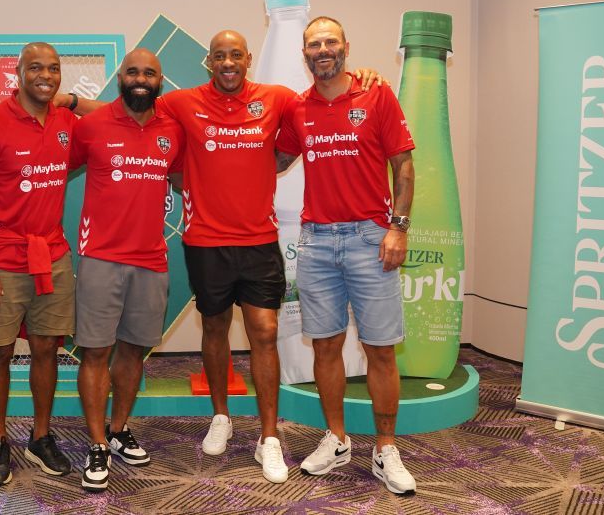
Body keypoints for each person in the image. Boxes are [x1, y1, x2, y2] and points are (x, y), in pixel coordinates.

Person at [60, 30, 381, 484]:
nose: (228, 62)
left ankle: (269, 437)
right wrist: (69, 100)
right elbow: (125, 110)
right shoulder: (181, 103)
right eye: (220, 56)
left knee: (264, 332)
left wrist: (360, 78)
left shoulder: (277, 98)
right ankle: (221, 417)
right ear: (209, 63)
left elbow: (314, 109)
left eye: (236, 55)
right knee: (214, 326)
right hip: (205, 241)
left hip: (259, 240)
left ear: (248, 59)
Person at [275, 16, 417, 495]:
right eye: (313, 44)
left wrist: (397, 228)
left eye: (330, 41)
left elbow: (404, 165)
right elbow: (271, 160)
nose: (322, 50)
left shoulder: (376, 95)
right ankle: (336, 439)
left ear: (345, 47)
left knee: (380, 348)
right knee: (326, 346)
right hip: (315, 242)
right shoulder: (298, 108)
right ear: (304, 53)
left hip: (369, 239)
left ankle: (385, 447)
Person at [0, 42, 76, 486]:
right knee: (0, 352)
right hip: (3, 259)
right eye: (36, 69)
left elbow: (118, 115)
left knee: (47, 349)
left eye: (54, 69)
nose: (46, 76)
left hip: (53, 256)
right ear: (19, 74)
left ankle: (41, 437)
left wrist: (74, 100)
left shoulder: (67, 122)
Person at [68, 48, 185, 493]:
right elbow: (58, 169)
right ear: (121, 77)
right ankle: (96, 442)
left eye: (149, 73)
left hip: (152, 260)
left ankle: (117, 431)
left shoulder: (172, 130)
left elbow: (182, 177)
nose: (141, 78)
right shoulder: (93, 126)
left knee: (134, 350)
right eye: (133, 71)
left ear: (161, 79)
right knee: (96, 353)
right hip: (100, 258)